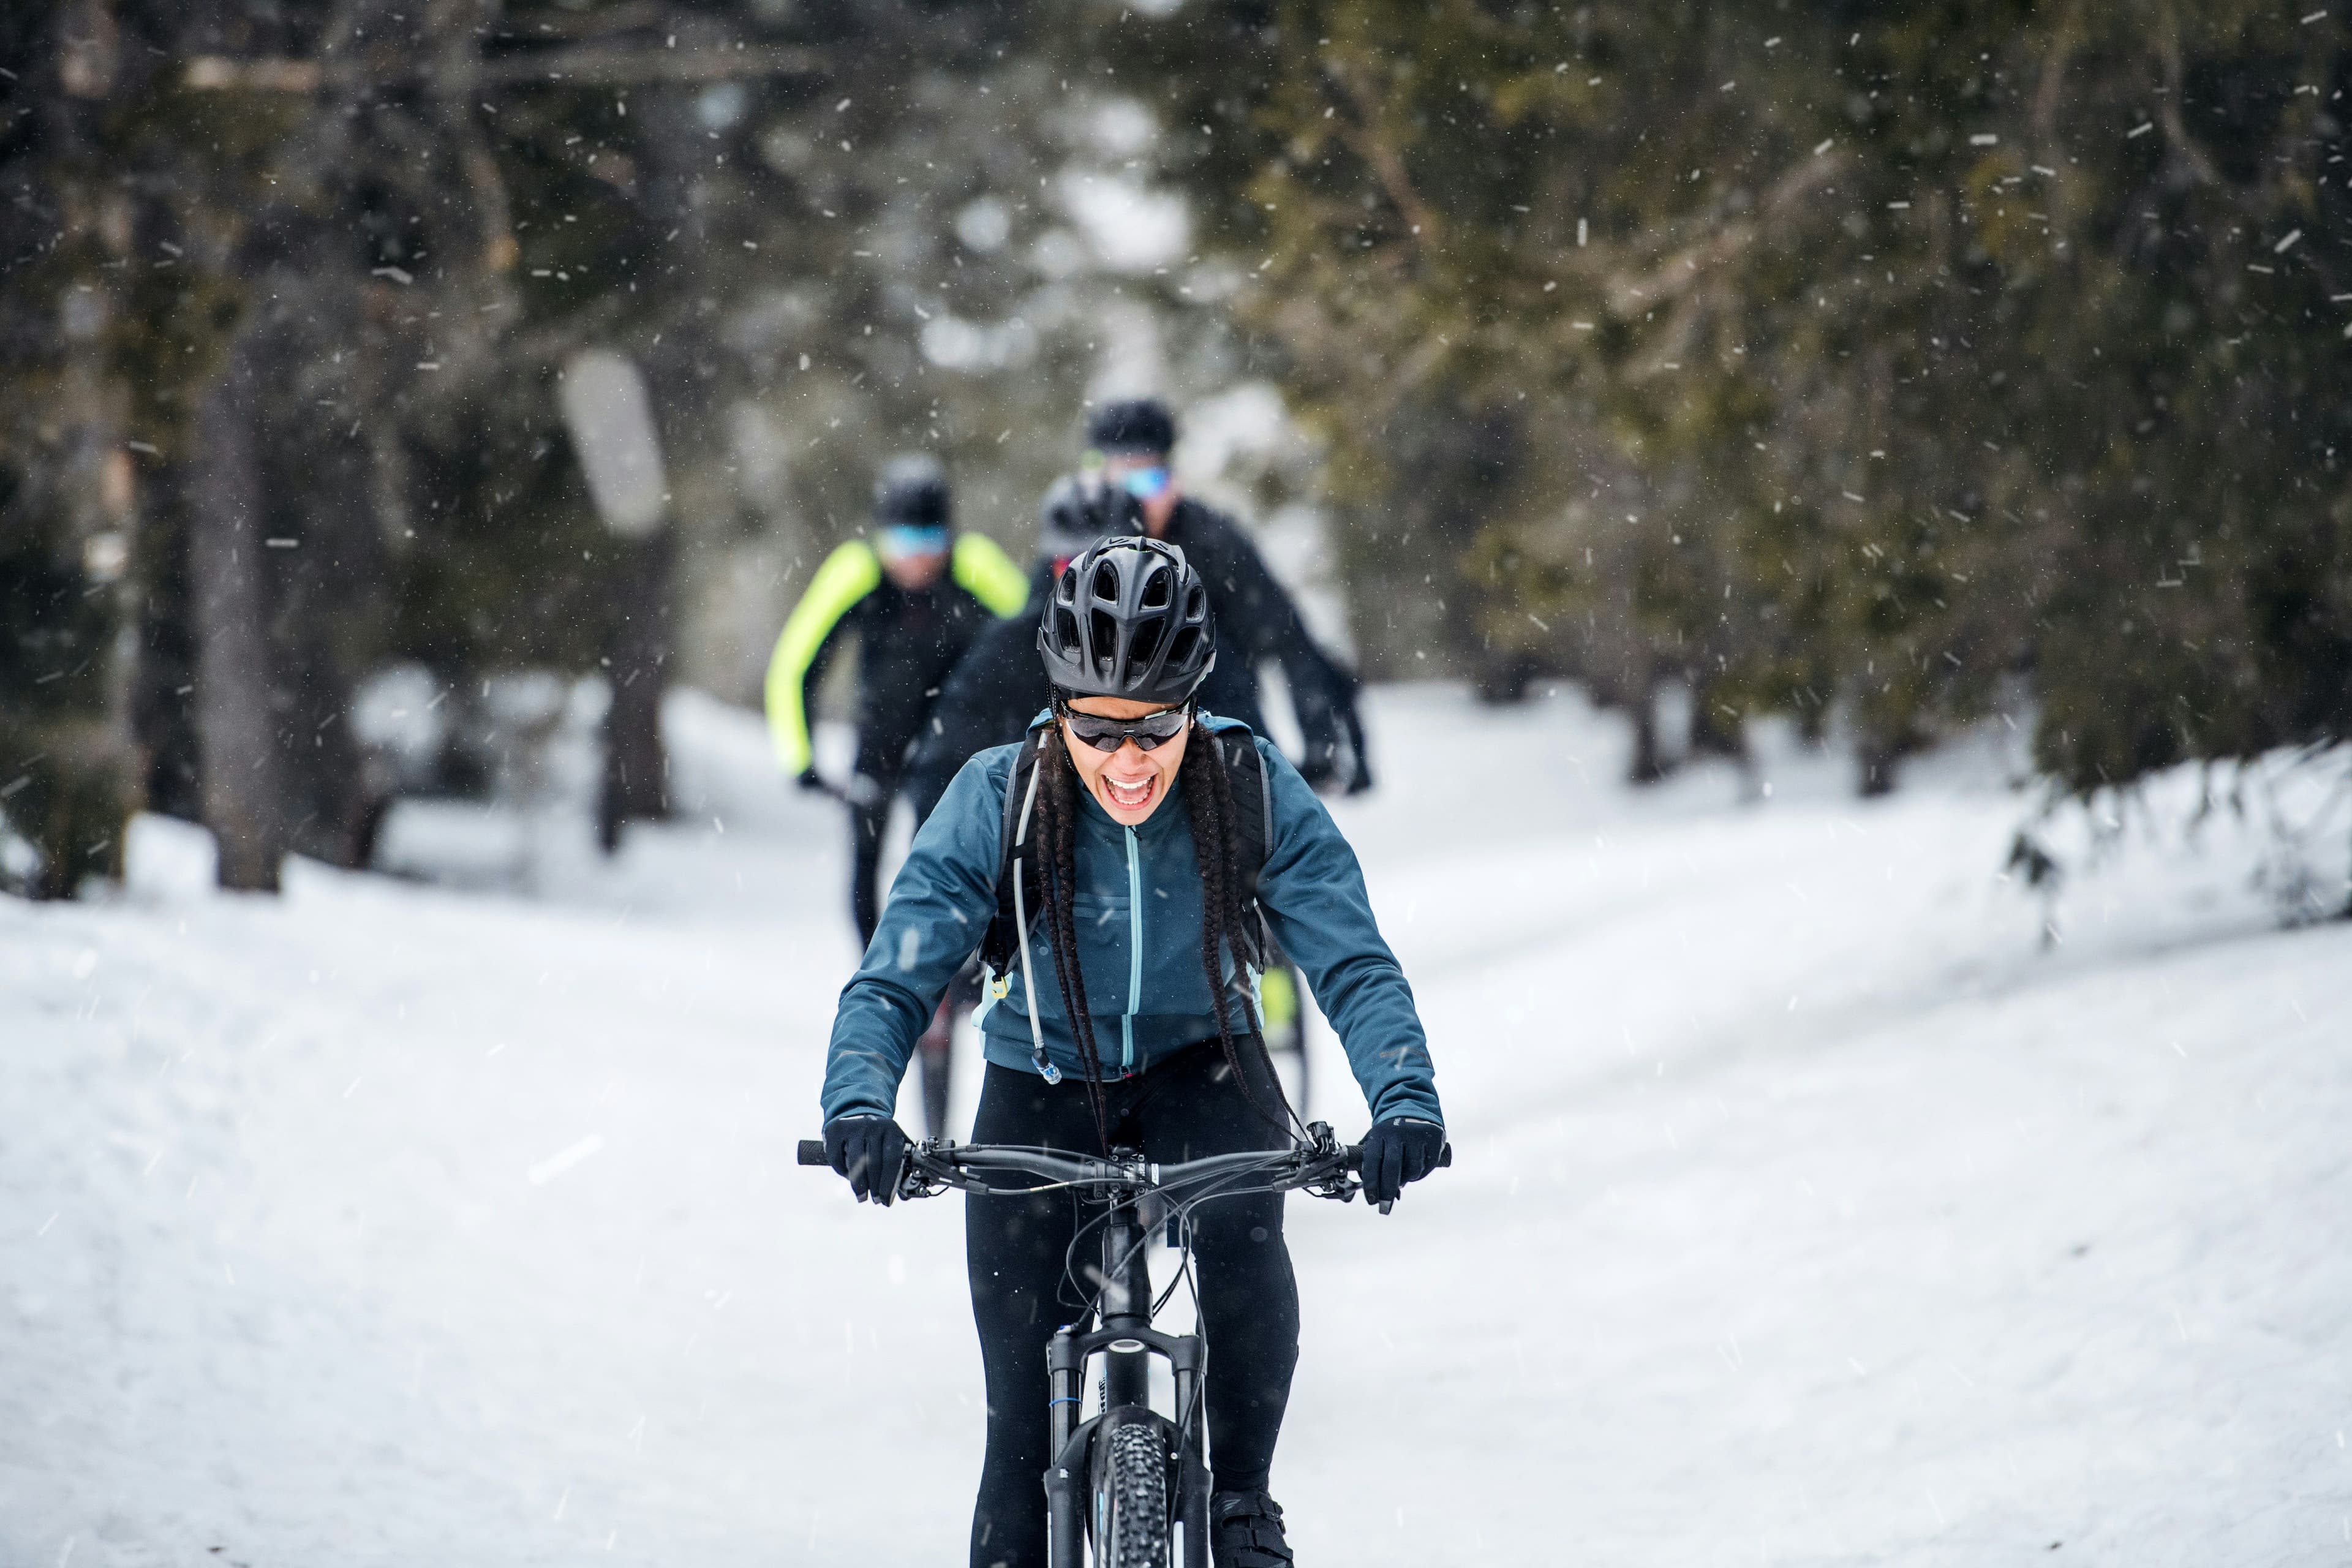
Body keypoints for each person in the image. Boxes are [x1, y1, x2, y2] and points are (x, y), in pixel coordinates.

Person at [816, 535, 1446, 1568]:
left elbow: (1353, 962)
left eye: (1154, 725)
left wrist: (1405, 1100)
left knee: (1245, 1248)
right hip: (1042, 1079)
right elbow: (898, 971)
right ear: (1058, 704)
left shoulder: (1245, 782)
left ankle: (1243, 1501)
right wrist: (860, 1107)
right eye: (1098, 729)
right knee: (1018, 1458)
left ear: (1193, 702)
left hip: (1210, 1064)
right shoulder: (999, 795)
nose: (1127, 760)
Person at [903, 397, 1373, 827]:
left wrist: (1313, 749)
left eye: (1148, 480)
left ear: (1174, 479)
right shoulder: (1072, 553)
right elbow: (1012, 661)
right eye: (1118, 480)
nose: (1137, 496)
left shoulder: (1214, 546)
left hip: (1198, 717)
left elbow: (1287, 639)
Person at [764, 456, 1027, 951]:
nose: (917, 560)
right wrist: (801, 759)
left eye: (930, 542)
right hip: (880, 731)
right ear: (880, 536)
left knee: (949, 859)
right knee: (866, 867)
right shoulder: (856, 570)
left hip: (954, 736)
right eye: (903, 543)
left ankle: (953, 985)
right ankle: (881, 984)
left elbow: (1038, 639)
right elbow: (794, 666)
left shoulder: (974, 564)